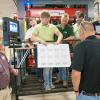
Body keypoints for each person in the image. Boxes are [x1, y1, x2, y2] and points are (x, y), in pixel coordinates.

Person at [30, 10, 63, 90]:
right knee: (46, 67)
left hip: (51, 49)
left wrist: (58, 41)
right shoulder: (37, 27)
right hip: (42, 49)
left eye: (48, 18)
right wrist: (41, 40)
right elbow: (32, 37)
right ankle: (46, 84)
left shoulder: (52, 26)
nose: (46, 20)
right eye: (44, 18)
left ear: (49, 18)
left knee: (51, 67)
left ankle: (50, 83)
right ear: (41, 18)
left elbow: (60, 34)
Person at [71, 21, 100, 100]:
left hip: (87, 95)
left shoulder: (81, 46)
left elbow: (76, 73)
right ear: (94, 32)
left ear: (82, 32)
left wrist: (76, 90)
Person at [54, 13, 75, 87]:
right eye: (63, 19)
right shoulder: (55, 27)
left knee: (65, 64)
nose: (64, 21)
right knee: (58, 64)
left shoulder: (70, 27)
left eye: (66, 20)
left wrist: (63, 39)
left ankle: (65, 80)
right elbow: (53, 37)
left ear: (68, 20)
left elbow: (72, 37)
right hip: (57, 48)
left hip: (66, 48)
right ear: (61, 19)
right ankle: (60, 78)